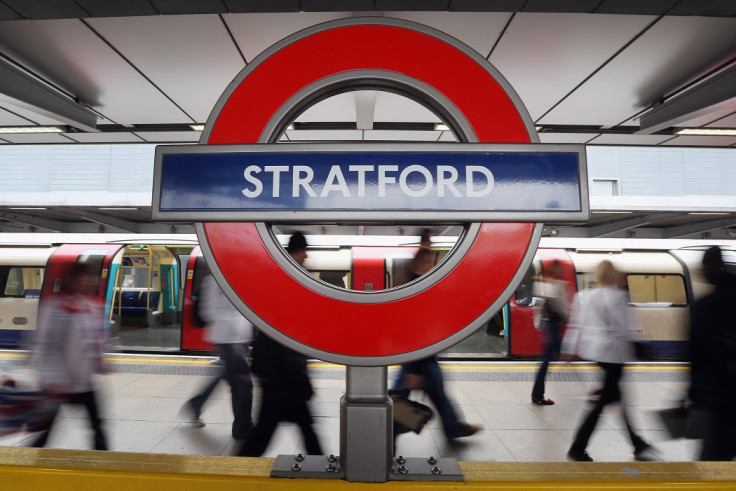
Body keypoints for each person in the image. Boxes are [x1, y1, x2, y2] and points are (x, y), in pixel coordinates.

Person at [239, 232, 322, 456]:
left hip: (275, 369)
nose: (306, 256)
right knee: (298, 431)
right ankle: (322, 469)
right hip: (282, 372)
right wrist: (300, 376)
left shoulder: (279, 277)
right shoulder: (289, 282)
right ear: (298, 251)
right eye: (304, 251)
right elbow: (287, 334)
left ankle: (240, 470)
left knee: (274, 431)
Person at [392, 230, 479, 442]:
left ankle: (452, 428)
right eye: (428, 262)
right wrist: (414, 368)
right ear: (418, 267)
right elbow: (412, 332)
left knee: (436, 393)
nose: (431, 266)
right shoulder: (416, 294)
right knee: (401, 396)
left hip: (422, 357)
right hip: (418, 358)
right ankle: (392, 427)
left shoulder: (415, 289)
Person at [566, 260, 651, 462]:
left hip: (594, 352)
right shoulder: (618, 296)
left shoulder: (583, 296)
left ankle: (638, 443)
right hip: (614, 354)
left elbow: (576, 325)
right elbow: (625, 327)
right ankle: (577, 448)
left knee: (617, 397)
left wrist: (568, 350)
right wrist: (641, 343)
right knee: (605, 402)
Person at [29, 262, 109, 450]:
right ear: (71, 280)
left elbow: (97, 338)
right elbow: (44, 345)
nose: (88, 281)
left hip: (83, 381)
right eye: (82, 277)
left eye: (89, 277)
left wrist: (100, 360)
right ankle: (25, 463)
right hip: (57, 385)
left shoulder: (90, 306)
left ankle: (104, 465)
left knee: (97, 426)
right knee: (45, 431)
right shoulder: (55, 308)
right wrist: (54, 379)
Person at [180, 271, 254, 439]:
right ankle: (243, 426)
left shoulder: (242, 276)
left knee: (231, 376)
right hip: (227, 338)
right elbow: (209, 311)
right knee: (243, 383)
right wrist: (233, 326)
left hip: (240, 337)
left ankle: (196, 404)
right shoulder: (214, 279)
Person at [688, 246, 736, 461]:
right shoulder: (706, 304)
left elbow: (695, 353)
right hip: (717, 393)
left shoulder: (705, 305)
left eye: (706, 265)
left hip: (716, 395)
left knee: (713, 458)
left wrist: (691, 392)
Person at [531, 260, 569, 405]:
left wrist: (539, 323)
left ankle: (537, 394)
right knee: (547, 361)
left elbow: (539, 307)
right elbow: (562, 308)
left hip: (548, 325)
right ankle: (537, 395)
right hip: (554, 326)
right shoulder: (560, 286)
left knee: (547, 360)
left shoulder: (545, 285)